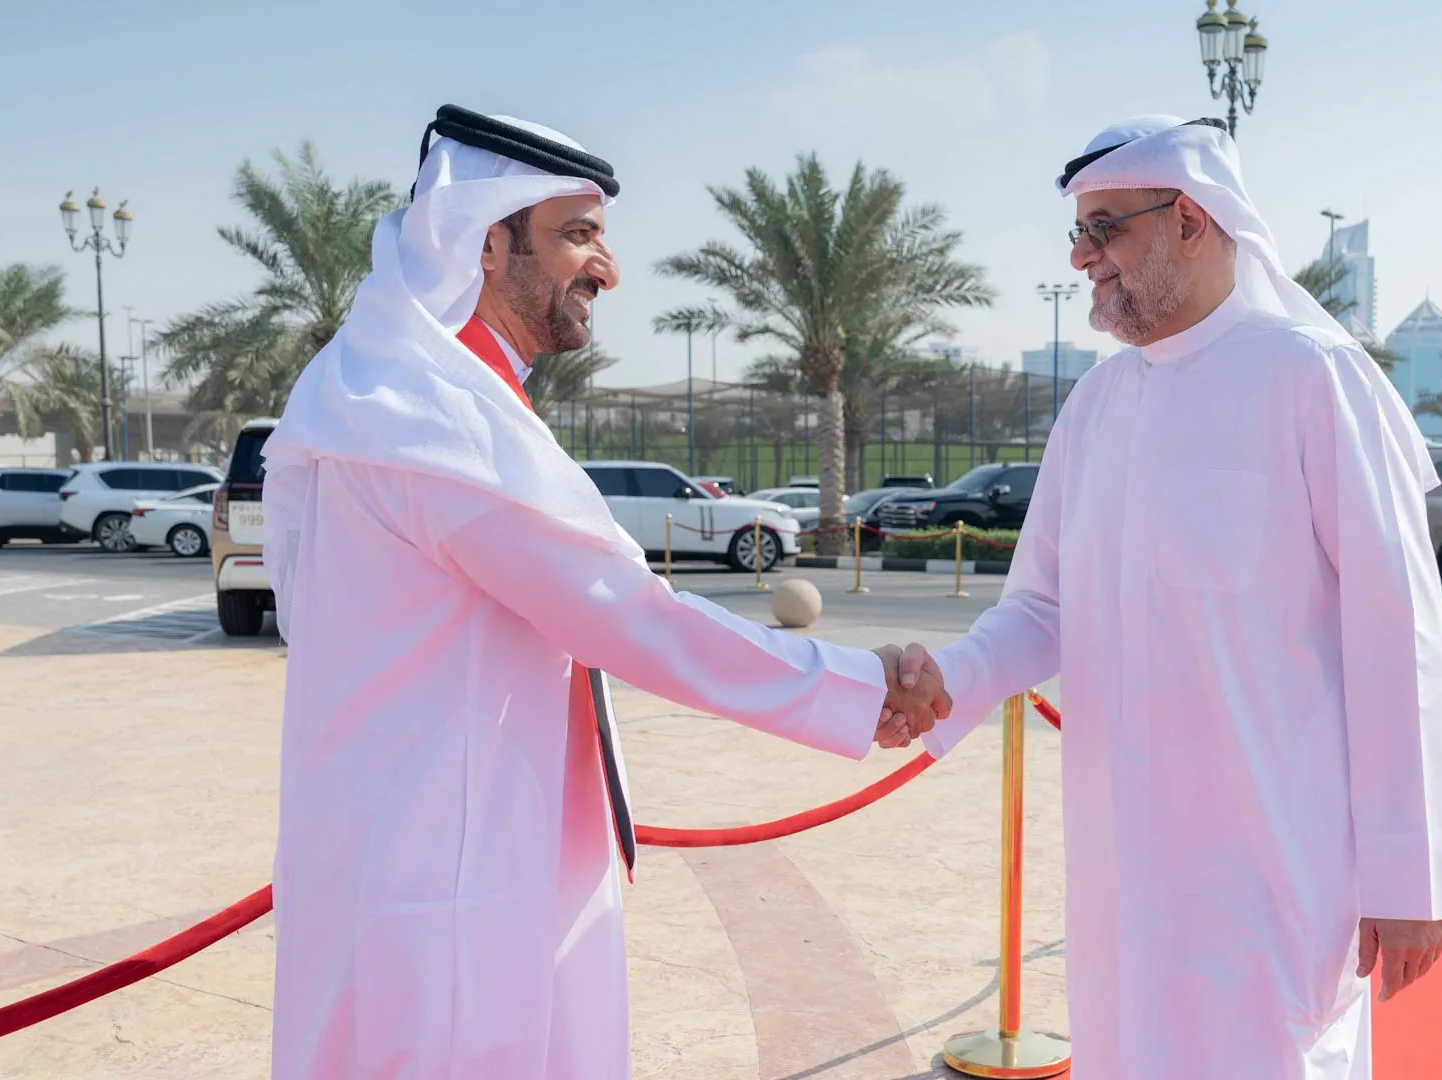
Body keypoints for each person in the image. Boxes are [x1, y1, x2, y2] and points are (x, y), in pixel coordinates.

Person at [259, 105, 948, 1079]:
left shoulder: (374, 389)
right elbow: (634, 619)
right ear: (489, 242)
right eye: (579, 234)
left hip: (410, 864)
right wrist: (857, 684)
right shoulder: (435, 422)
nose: (608, 267)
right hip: (450, 891)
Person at [894, 115, 1442, 1078]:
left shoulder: (1314, 380)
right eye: (1078, 234)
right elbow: (1042, 608)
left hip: (1275, 858)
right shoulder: (1098, 406)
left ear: (1190, 219)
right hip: (1125, 860)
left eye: (1105, 228)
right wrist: (945, 676)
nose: (1082, 259)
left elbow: (1396, 638)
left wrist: (1410, 873)